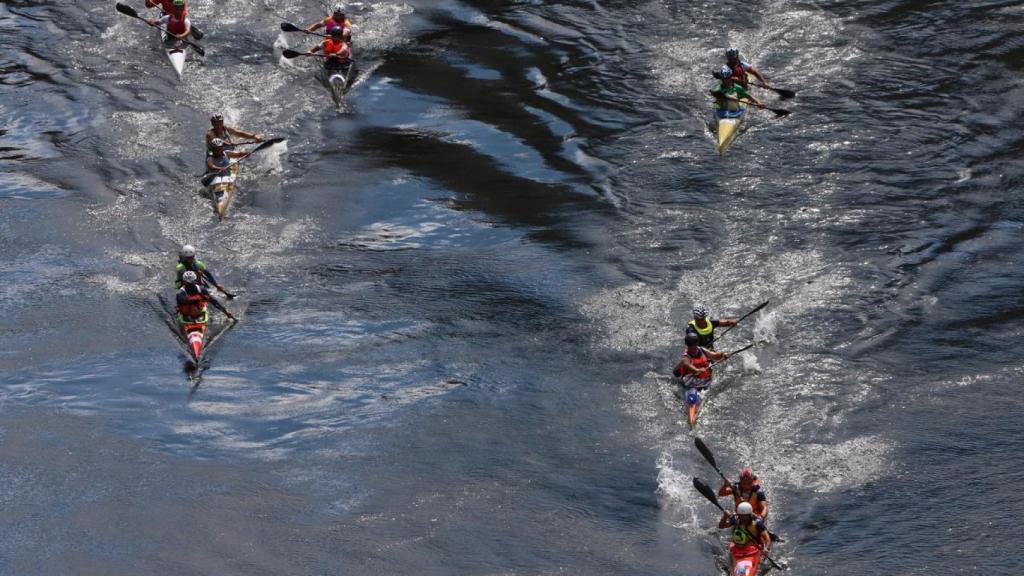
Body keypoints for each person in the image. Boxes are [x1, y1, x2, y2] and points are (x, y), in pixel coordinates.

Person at [718, 502, 771, 570]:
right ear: (738, 514)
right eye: (741, 516)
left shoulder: (757, 523)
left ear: (750, 514)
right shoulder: (735, 519)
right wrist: (725, 516)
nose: (743, 518)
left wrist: (766, 548)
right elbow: (721, 526)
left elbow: (767, 538)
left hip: (752, 550)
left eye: (746, 516)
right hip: (736, 550)